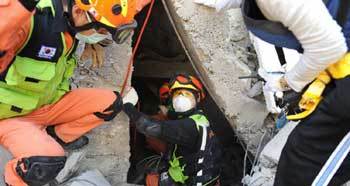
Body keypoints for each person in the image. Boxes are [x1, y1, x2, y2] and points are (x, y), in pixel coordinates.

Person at [195, 0, 350, 185]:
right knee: (302, 155)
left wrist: (287, 82)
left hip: (341, 71)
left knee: (308, 166)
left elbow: (329, 48)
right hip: (339, 71)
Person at [0, 0, 149, 185]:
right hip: (9, 117)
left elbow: (133, 4)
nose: (101, 37)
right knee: (44, 163)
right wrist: (18, 9)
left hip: (47, 106)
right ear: (79, 11)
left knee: (111, 103)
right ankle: (15, 179)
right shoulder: (33, 23)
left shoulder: (71, 26)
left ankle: (57, 135)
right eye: (101, 31)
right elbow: (4, 29)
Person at [123, 74, 222, 186]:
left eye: (187, 94)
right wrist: (169, 112)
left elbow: (149, 127)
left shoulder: (189, 126)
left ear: (198, 98)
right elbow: (177, 118)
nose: (181, 98)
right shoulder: (199, 119)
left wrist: (127, 105)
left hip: (190, 182)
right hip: (202, 177)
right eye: (177, 94)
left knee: (150, 179)